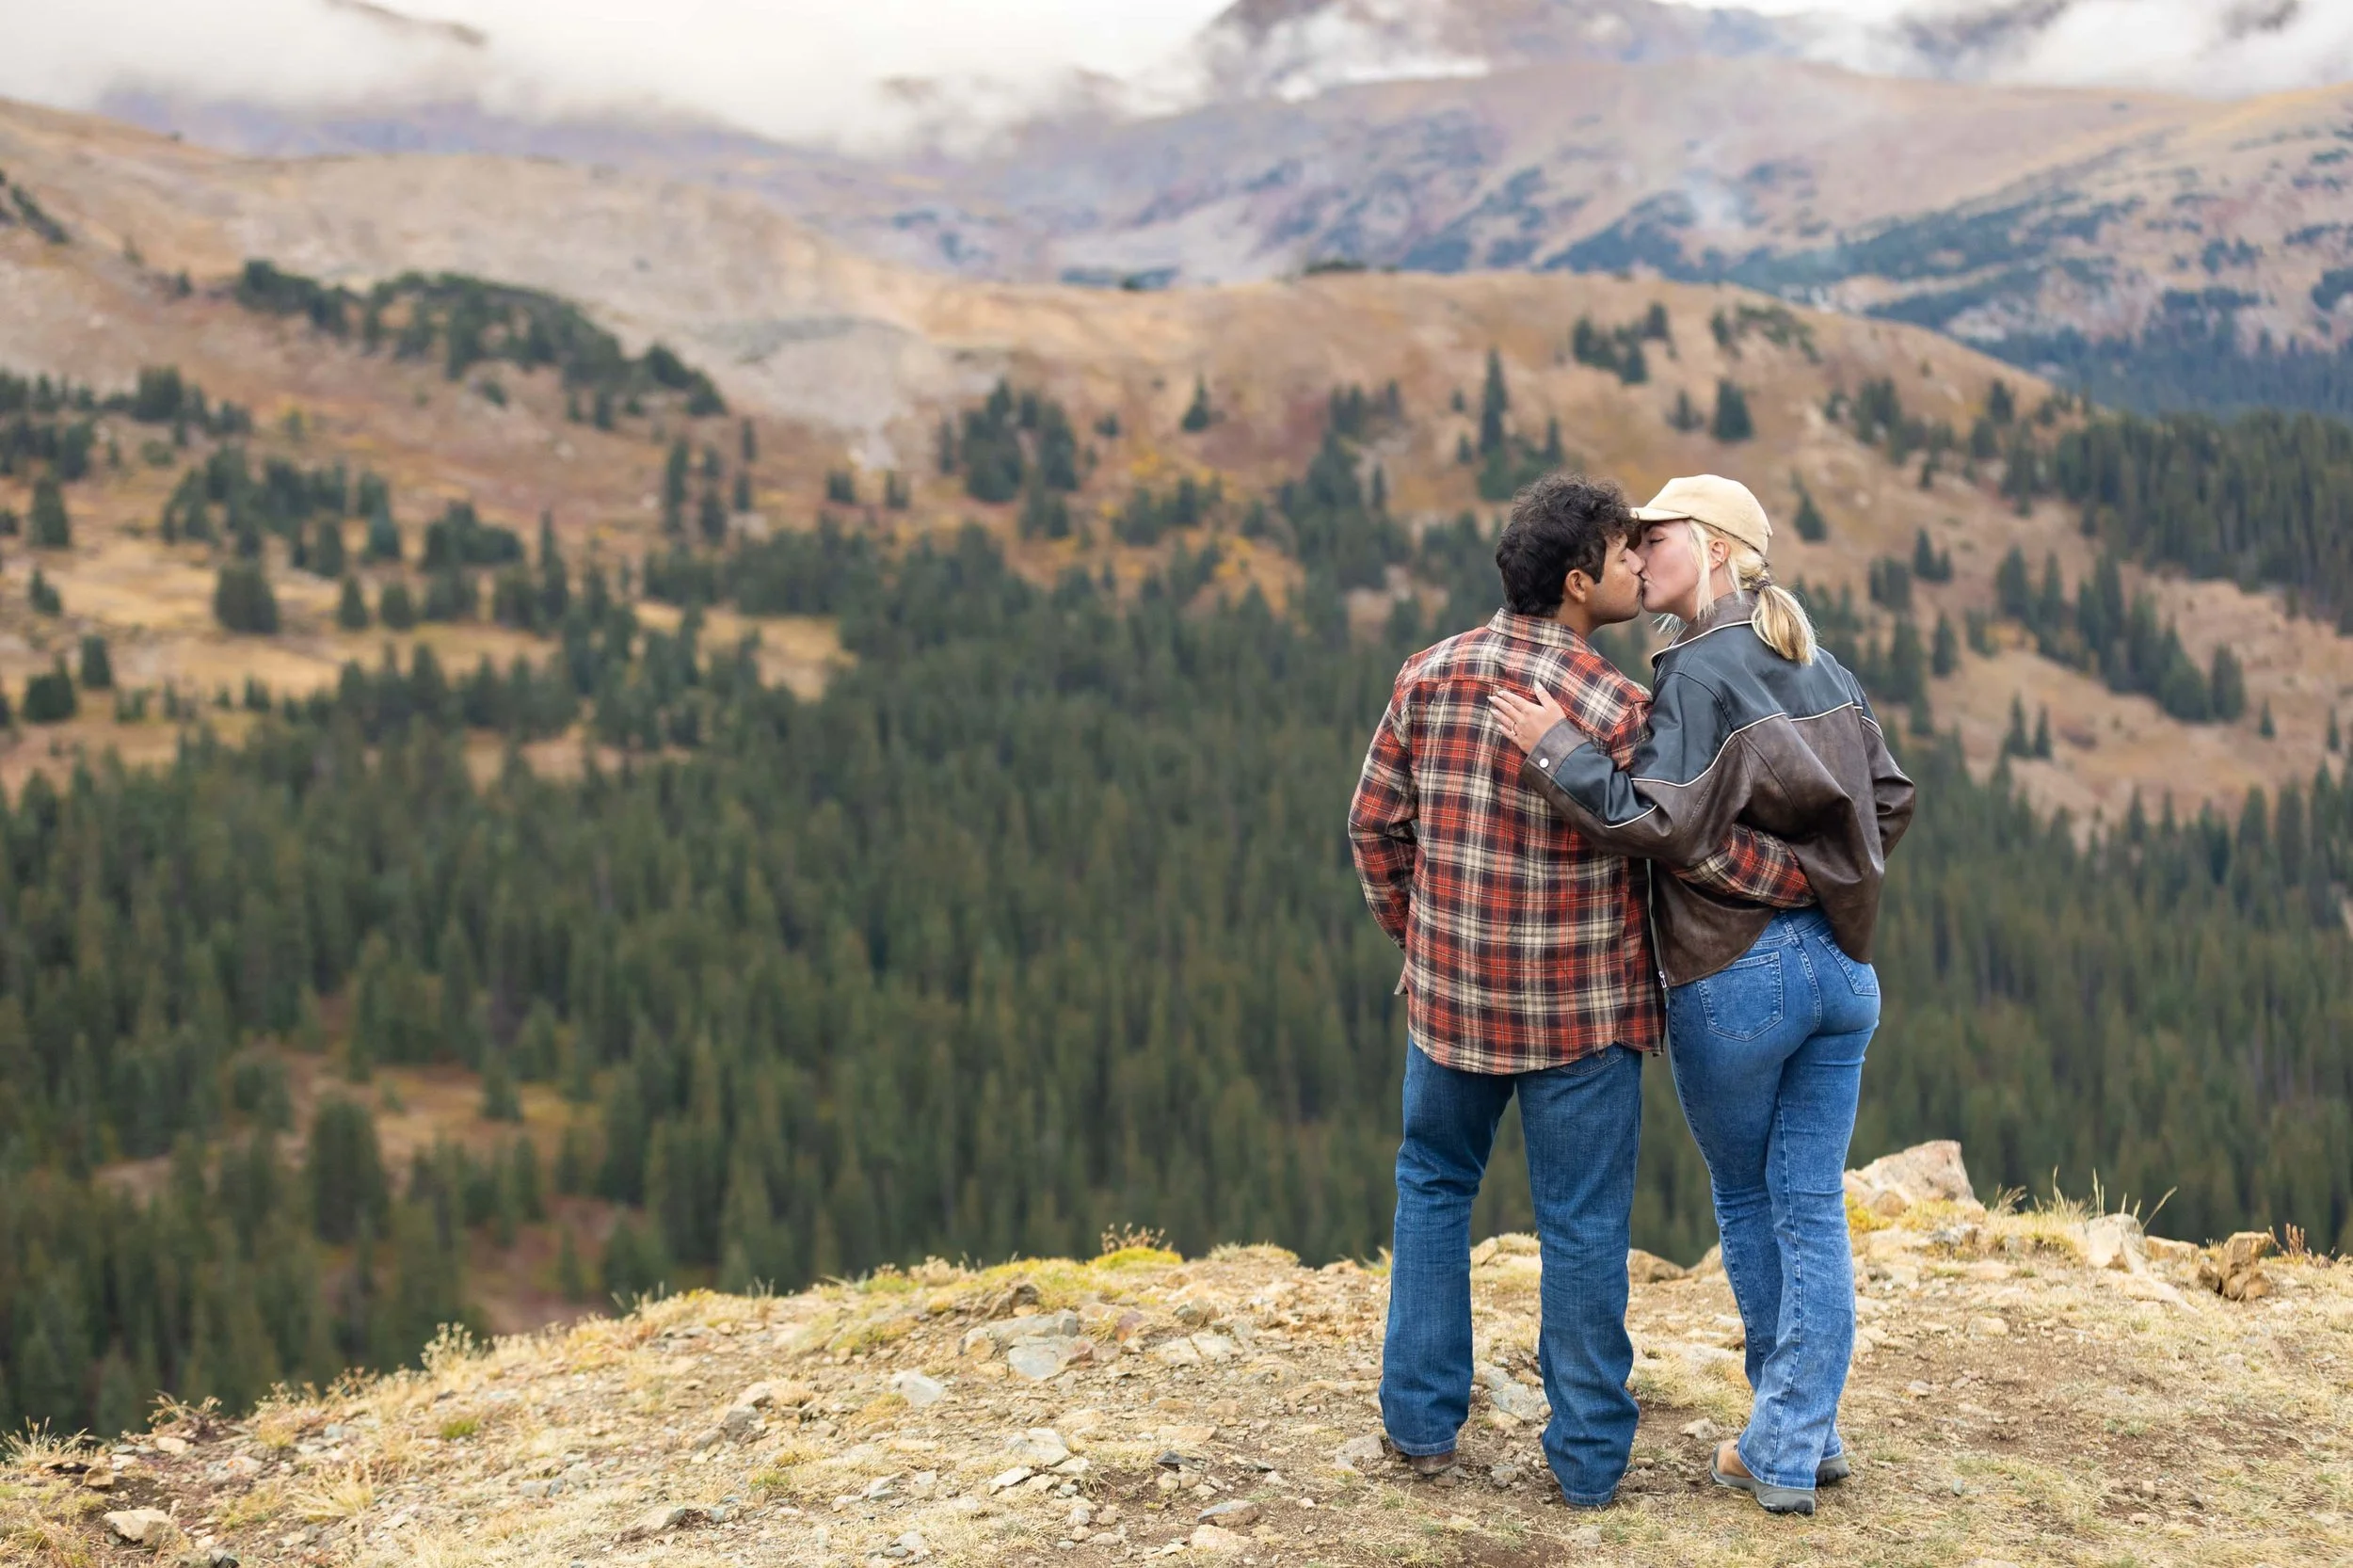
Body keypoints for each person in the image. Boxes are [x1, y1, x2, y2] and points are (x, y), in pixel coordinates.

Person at [1347, 472, 1814, 1509]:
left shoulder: (1427, 675)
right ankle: (1588, 1463)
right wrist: (1804, 877)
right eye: (1619, 556)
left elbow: (1374, 828)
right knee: (1583, 1223)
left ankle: (1420, 1426)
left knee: (1431, 1189)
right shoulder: (1615, 703)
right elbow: (1691, 848)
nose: (1636, 567)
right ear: (1574, 583)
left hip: (1449, 1008)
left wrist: (1424, 941)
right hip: (1582, 1018)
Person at [1489, 473, 1914, 1516]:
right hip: (1843, 973)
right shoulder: (1821, 661)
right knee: (1810, 1206)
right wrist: (1817, 877)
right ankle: (1797, 1435)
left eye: (1657, 533)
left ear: (1715, 548)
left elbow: (1663, 823)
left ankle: (1783, 1441)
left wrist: (1556, 751)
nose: (1638, 551)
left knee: (1751, 1201)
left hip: (1738, 975)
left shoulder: (1698, 673)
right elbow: (1891, 799)